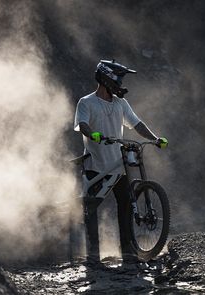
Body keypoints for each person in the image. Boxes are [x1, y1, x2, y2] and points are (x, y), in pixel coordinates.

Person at [74, 59, 168, 262]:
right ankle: (93, 257)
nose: (121, 84)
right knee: (90, 209)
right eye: (118, 80)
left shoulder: (121, 104)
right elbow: (82, 125)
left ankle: (128, 252)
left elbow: (137, 124)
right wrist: (94, 135)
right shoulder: (86, 102)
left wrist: (154, 139)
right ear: (106, 79)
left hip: (118, 164)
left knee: (126, 205)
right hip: (95, 166)